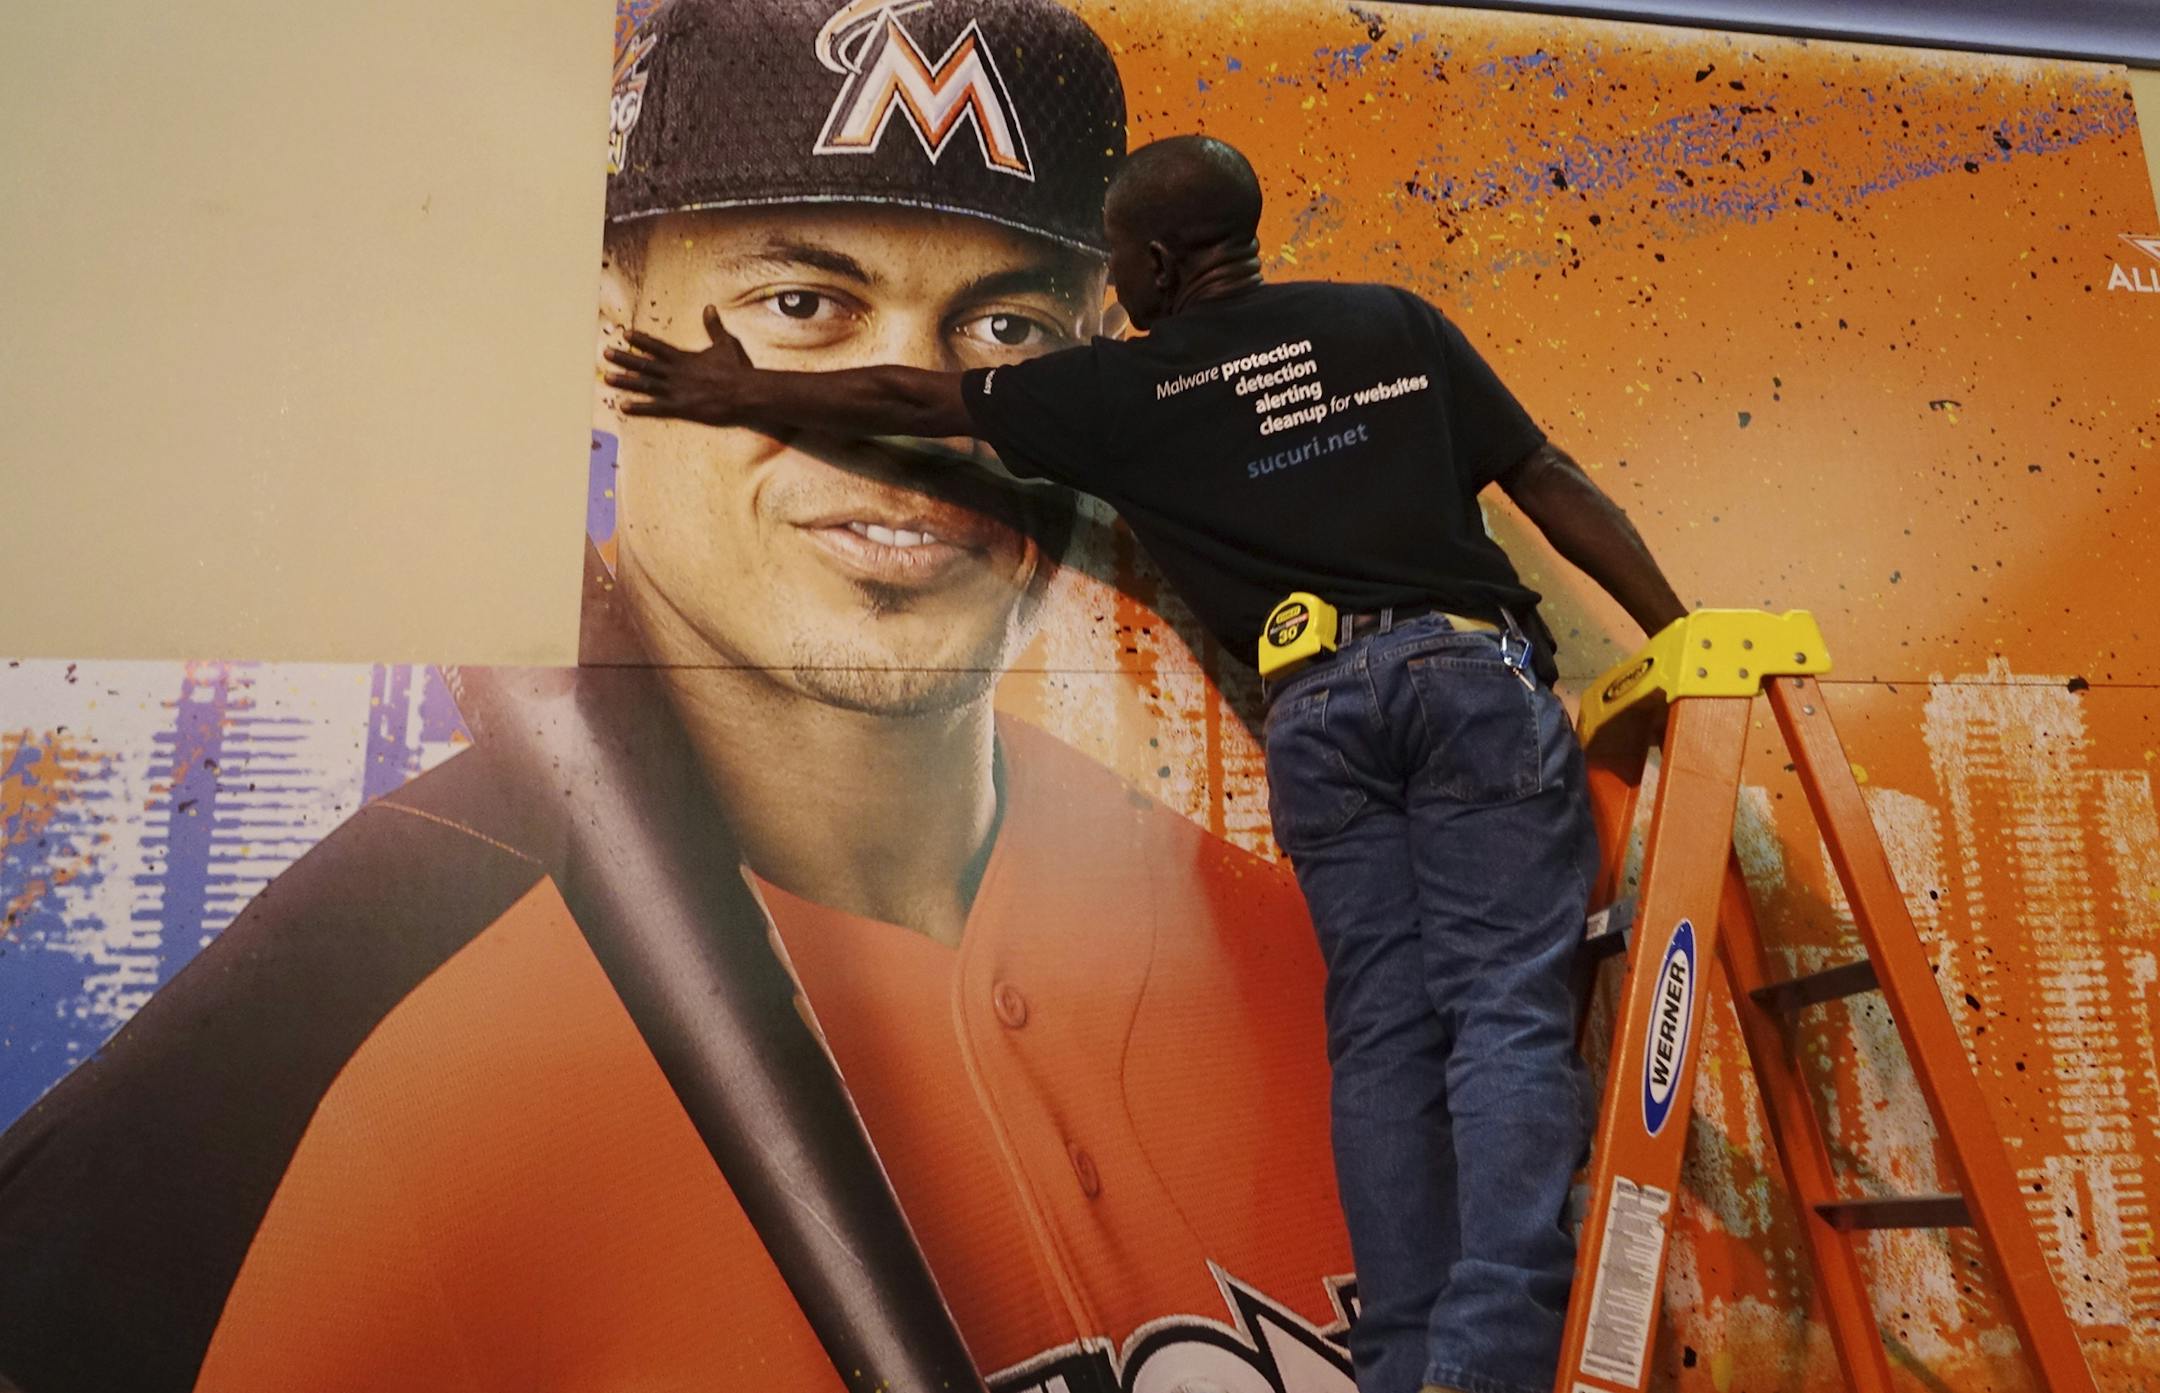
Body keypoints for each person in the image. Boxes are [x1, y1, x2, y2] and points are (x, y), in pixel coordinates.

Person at [0, 6, 1357, 1393]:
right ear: (604, 336)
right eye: (803, 307)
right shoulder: (304, 1067)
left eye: (1008, 326)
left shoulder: (1308, 957)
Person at [604, 135, 1691, 1393]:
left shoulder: (1126, 390)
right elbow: (1547, 477)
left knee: (1387, 1036)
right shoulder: (1391, 322)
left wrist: (746, 391)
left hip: (1321, 711)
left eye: (1120, 261)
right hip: (1466, 679)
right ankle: (1493, 1357)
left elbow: (914, 404)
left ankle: (1406, 1360)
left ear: (1163, 261)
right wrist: (1681, 631)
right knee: (1503, 1009)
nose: (1115, 287)